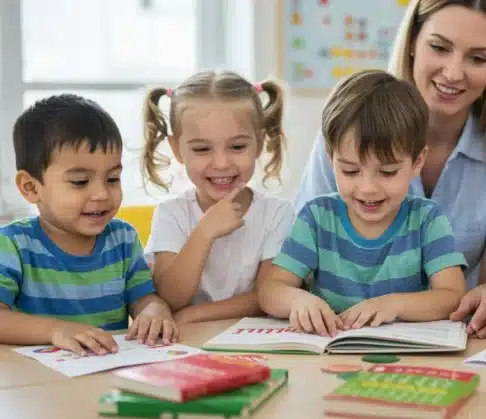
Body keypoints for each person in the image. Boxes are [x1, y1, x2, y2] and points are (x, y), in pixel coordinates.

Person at [294, 0, 486, 338]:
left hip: (452, 338)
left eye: (478, 58)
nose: (453, 73)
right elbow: (300, 261)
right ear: (411, 43)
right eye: (439, 48)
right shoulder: (346, 134)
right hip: (339, 335)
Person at [258, 70, 467, 336]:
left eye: (388, 172)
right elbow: (270, 291)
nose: (368, 188)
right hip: (329, 351)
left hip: (404, 356)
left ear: (417, 162)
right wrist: (298, 300)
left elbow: (451, 296)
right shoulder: (317, 217)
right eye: (350, 171)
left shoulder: (427, 219)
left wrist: (394, 304)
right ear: (330, 158)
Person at [0, 94, 178, 355]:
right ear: (31, 187)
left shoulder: (123, 239)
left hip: (104, 374)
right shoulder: (12, 245)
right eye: (80, 181)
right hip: (37, 382)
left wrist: (154, 311)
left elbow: (143, 297)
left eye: (112, 179)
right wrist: (55, 330)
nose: (102, 194)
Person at [141, 70, 294, 325]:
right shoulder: (171, 214)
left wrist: (194, 315)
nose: (222, 163)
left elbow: (268, 296)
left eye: (237, 147)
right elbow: (170, 297)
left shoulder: (277, 214)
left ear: (259, 142)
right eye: (202, 149)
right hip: (187, 345)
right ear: (177, 149)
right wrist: (205, 232)